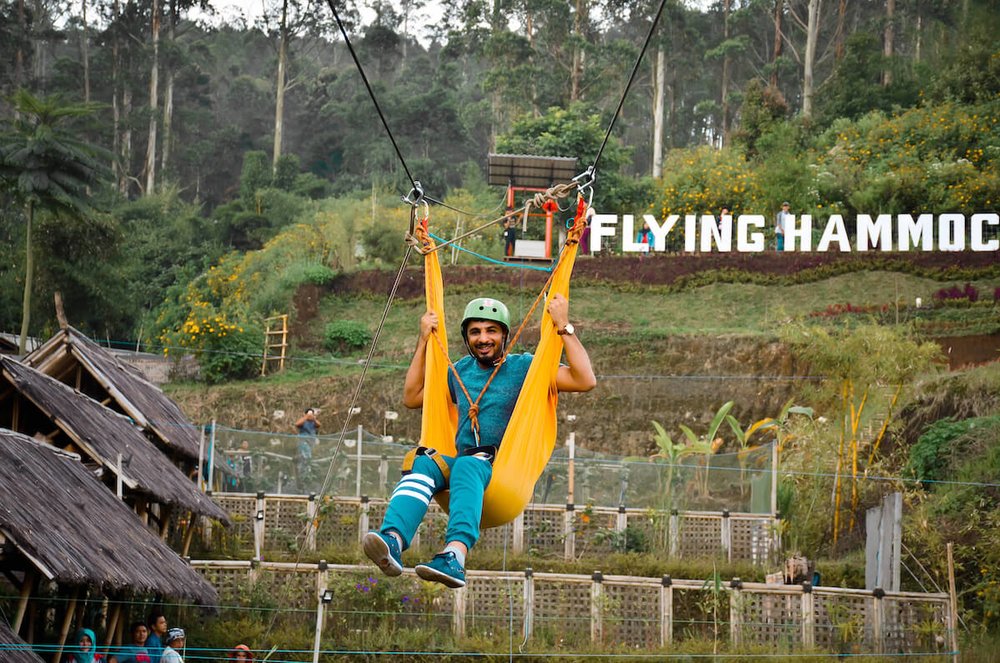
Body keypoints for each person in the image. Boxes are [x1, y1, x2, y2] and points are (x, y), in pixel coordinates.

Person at [363, 294, 596, 589]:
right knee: (423, 459)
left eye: (491, 331)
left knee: (467, 465)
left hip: (500, 472)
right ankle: (393, 540)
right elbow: (412, 397)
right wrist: (423, 342)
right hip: (464, 468)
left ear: (504, 335)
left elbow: (585, 380)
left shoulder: (525, 368)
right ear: (466, 336)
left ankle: (455, 556)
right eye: (475, 331)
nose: (483, 338)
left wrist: (563, 326)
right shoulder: (459, 372)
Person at [294, 408, 320, 491]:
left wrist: (314, 418)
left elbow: (319, 425)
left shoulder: (313, 422)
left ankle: (307, 470)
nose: (310, 415)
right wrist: (306, 417)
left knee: (309, 455)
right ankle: (303, 473)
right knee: (305, 456)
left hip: (311, 442)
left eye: (312, 413)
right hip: (303, 441)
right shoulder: (303, 421)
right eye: (309, 413)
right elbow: (297, 424)